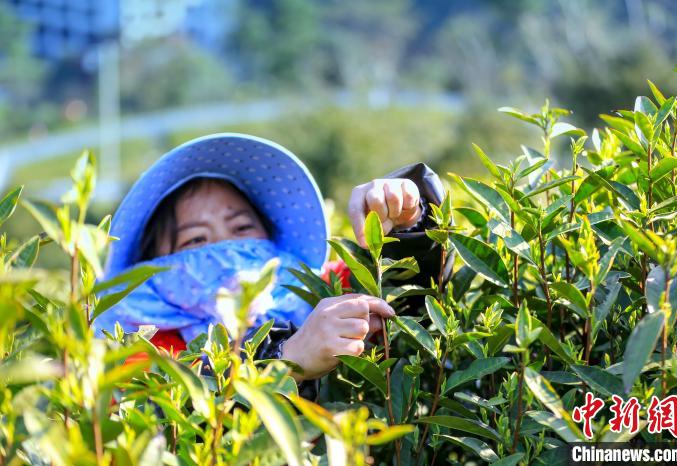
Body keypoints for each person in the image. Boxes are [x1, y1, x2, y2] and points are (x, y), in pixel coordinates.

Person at [95, 133, 450, 386]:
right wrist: (284, 358)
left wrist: (407, 221)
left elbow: (404, 299)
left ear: (270, 237)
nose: (226, 249)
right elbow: (167, 413)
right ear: (154, 264)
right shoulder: (141, 345)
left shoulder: (316, 293)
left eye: (241, 227)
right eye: (197, 239)